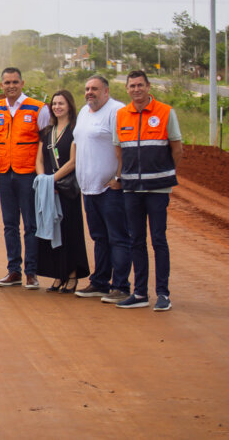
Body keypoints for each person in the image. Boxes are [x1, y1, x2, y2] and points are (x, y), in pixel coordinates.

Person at [114, 70, 183, 311]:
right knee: (136, 240)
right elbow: (119, 150)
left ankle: (163, 293)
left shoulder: (165, 112)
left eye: (140, 85)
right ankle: (140, 293)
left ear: (148, 86)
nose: (136, 89)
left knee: (158, 239)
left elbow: (177, 149)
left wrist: (165, 172)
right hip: (132, 188)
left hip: (158, 188)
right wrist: (121, 177)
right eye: (132, 86)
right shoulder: (121, 115)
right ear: (127, 89)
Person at [0, 67, 50, 290]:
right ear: (1, 85)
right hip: (5, 173)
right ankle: (13, 270)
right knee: (10, 224)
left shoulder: (38, 108)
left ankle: (31, 273)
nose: (11, 86)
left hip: (28, 174)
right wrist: (6, 157)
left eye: (15, 82)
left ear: (22, 83)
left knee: (31, 224)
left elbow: (46, 141)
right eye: (7, 82)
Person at [72, 75, 131, 304]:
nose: (90, 92)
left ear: (106, 91)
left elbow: (125, 147)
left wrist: (119, 178)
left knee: (118, 238)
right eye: (87, 88)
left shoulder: (117, 111)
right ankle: (99, 282)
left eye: (95, 89)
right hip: (89, 188)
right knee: (99, 237)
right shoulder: (84, 112)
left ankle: (121, 286)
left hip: (110, 190)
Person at [34, 90, 90, 293]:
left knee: (69, 230)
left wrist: (52, 180)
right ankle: (59, 274)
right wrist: (43, 180)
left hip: (67, 189)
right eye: (54, 103)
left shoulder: (75, 130)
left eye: (61, 103)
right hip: (48, 189)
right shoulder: (47, 131)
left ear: (69, 106)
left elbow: (73, 161)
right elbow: (39, 160)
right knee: (52, 230)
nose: (57, 107)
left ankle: (72, 275)